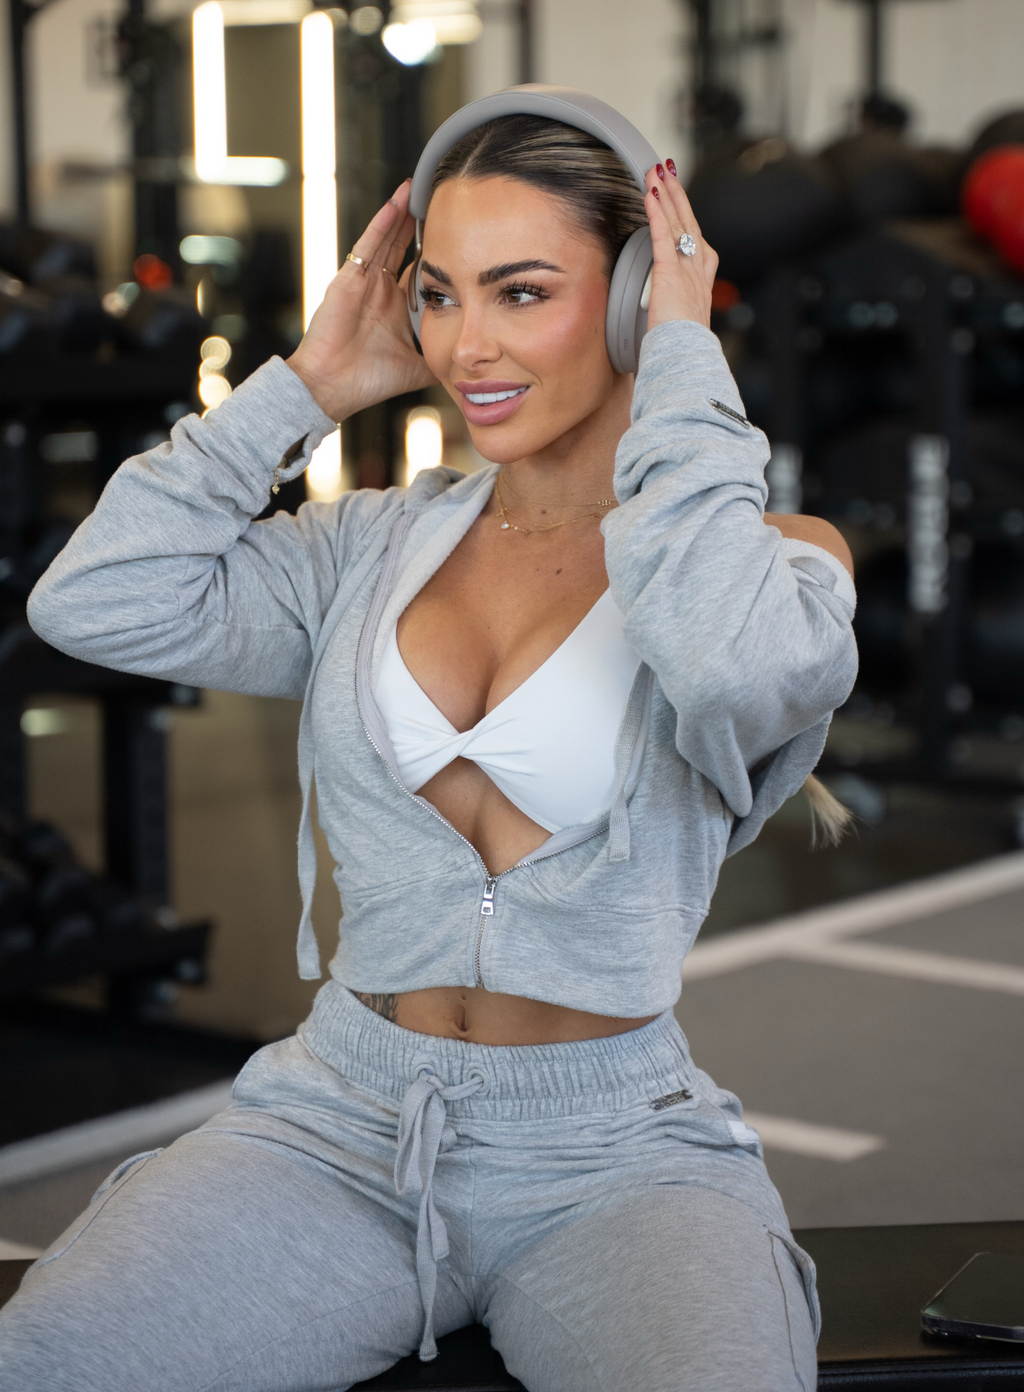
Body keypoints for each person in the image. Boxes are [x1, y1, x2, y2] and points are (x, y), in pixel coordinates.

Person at [0, 105, 857, 1392]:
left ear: (634, 300)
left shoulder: (780, 564)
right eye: (442, 297)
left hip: (612, 1158)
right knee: (51, 1366)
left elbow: (729, 661)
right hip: (338, 1124)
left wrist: (684, 361)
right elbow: (91, 598)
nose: (468, 347)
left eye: (522, 293)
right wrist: (303, 389)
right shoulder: (369, 548)